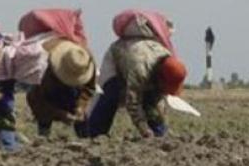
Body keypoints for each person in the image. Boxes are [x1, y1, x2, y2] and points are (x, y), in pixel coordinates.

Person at [81, 10, 187, 138]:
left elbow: (160, 99)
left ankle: (159, 133)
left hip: (138, 62)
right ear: (161, 77)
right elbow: (133, 102)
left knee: (152, 99)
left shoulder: (165, 59)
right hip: (116, 60)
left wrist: (163, 125)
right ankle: (94, 133)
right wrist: (144, 129)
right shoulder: (141, 68)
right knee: (110, 94)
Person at [26, 39, 97, 137]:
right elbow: (37, 100)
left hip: (74, 96)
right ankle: (43, 138)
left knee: (83, 121)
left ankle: (85, 139)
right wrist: (61, 114)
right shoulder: (45, 70)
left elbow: (89, 89)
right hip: (49, 97)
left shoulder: (85, 61)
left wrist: (81, 106)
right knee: (44, 120)